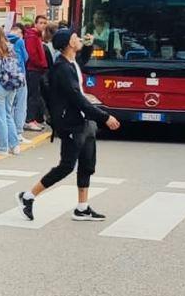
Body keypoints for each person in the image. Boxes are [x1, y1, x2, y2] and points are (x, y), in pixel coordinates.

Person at [19, 29, 121, 223]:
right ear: (68, 44)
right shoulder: (62, 69)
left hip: (84, 121)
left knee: (87, 164)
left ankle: (82, 208)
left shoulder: (71, 62)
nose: (78, 38)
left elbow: (82, 60)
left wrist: (89, 46)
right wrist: (104, 117)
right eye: (75, 37)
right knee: (66, 166)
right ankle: (28, 196)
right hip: (71, 123)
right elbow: (77, 99)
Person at [0, 27, 25, 156]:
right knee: (8, 115)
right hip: (11, 85)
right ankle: (14, 145)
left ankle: (2, 147)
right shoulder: (10, 50)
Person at [24, 16, 50, 131]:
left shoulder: (37, 36)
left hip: (37, 69)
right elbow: (32, 54)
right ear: (35, 24)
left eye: (45, 23)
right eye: (41, 23)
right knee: (33, 96)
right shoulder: (32, 36)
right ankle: (29, 120)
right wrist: (42, 64)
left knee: (36, 95)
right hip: (33, 69)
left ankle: (32, 119)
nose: (43, 25)